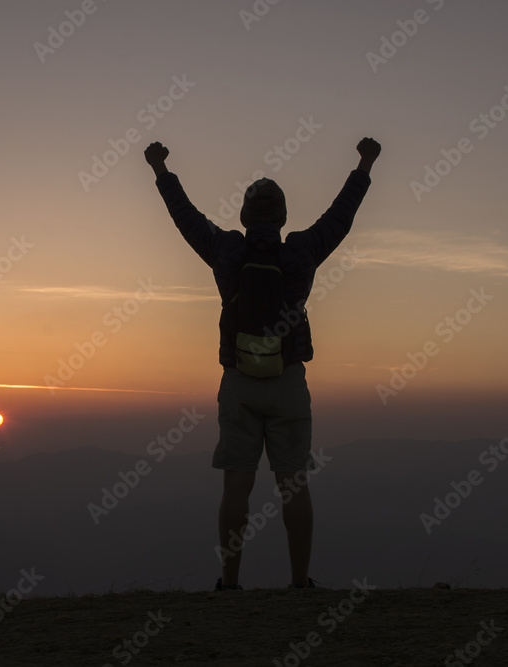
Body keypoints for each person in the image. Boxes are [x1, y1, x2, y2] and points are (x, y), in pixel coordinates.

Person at [145, 137, 381, 590]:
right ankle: (298, 583)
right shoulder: (301, 251)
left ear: (245, 217)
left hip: (238, 382)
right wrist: (364, 163)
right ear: (283, 216)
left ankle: (229, 584)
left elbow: (186, 217)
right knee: (293, 483)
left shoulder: (228, 251)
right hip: (288, 380)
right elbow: (341, 216)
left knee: (237, 486)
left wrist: (161, 170)